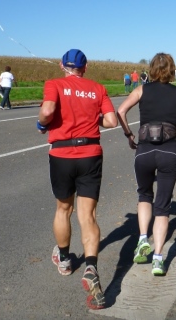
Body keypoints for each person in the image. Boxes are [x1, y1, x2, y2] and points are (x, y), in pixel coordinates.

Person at [37, 48, 117, 310]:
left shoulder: (54, 84)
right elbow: (112, 121)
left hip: (62, 154)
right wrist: (94, 119)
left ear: (62, 65)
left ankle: (64, 259)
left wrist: (42, 124)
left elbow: (48, 110)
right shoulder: (97, 88)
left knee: (64, 208)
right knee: (88, 216)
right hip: (90, 154)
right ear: (86, 67)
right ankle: (91, 267)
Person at [117, 52, 176, 276]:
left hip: (144, 151)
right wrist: (175, 116)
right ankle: (158, 259)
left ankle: (143, 238)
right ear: (172, 69)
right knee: (163, 207)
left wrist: (129, 135)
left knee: (144, 195)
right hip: (169, 152)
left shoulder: (141, 90)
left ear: (151, 69)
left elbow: (120, 111)